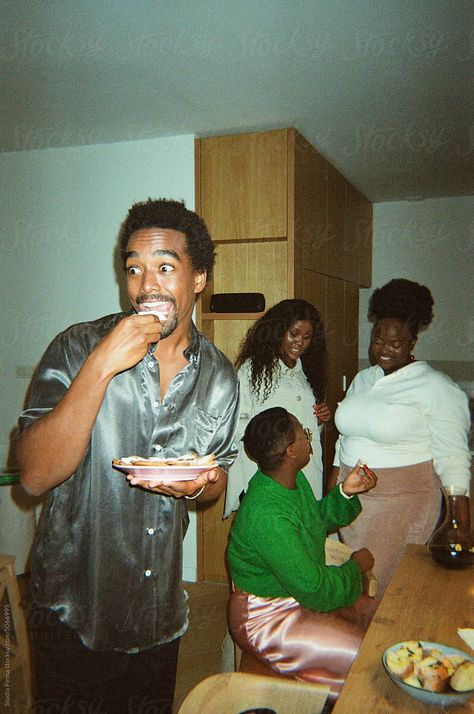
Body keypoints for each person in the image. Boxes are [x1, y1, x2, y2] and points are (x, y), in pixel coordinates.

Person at [16, 198, 240, 713]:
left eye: (165, 267)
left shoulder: (220, 377)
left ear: (199, 278)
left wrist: (199, 486)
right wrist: (103, 364)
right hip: (72, 606)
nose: (146, 286)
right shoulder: (78, 346)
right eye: (134, 269)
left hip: (157, 610)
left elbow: (216, 479)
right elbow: (33, 477)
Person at [329, 278, 471, 596]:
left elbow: (454, 457)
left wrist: (459, 523)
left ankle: (385, 644)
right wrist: (331, 499)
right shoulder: (363, 379)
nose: (384, 350)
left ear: (412, 342)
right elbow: (343, 443)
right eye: (378, 340)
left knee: (382, 589)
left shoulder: (436, 387)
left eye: (396, 343)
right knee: (354, 585)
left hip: (401, 505)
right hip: (351, 501)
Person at [227, 407, 378, 704]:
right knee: (368, 656)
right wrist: (355, 567)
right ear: (292, 452)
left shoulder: (289, 482)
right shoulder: (266, 515)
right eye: (305, 435)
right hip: (266, 617)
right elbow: (317, 591)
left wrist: (345, 492)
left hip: (298, 593)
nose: (310, 440)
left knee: (383, 622)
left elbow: (313, 522)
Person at [224, 298, 331, 518]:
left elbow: (306, 430)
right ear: (277, 332)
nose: (299, 342)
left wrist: (318, 421)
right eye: (293, 333)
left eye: (307, 337)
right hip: (269, 476)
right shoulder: (252, 371)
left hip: (307, 471)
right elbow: (239, 429)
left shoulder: (307, 372)